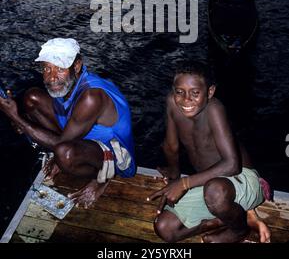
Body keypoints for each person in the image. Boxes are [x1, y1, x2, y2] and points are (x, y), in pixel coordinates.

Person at [0, 38, 136, 207]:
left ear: (77, 66)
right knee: (31, 99)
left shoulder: (91, 97)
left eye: (60, 68)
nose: (52, 77)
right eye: (47, 68)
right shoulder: (70, 85)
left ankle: (103, 178)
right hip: (81, 133)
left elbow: (62, 144)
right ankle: (65, 156)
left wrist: (16, 118)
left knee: (64, 154)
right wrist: (24, 121)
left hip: (114, 156)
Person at [148, 62, 271, 243]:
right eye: (179, 92)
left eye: (195, 93)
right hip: (209, 182)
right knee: (164, 228)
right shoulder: (172, 104)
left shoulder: (214, 109)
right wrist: (174, 175)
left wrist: (184, 183)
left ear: (210, 92)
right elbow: (171, 145)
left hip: (241, 178)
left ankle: (240, 230)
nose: (186, 100)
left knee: (214, 191)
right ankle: (215, 222)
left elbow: (232, 164)